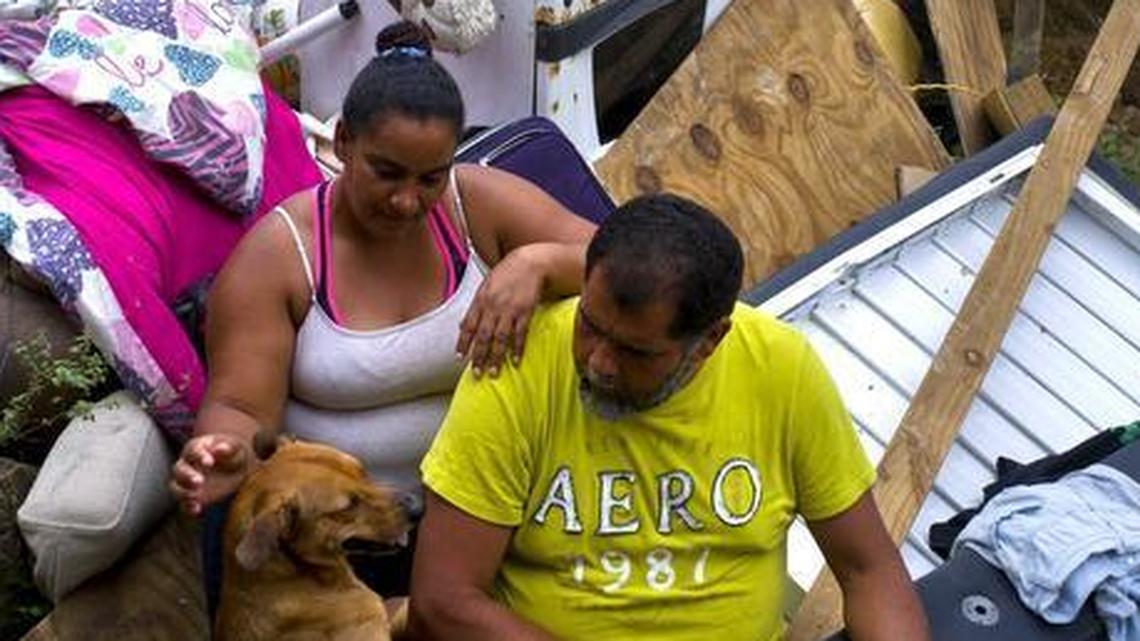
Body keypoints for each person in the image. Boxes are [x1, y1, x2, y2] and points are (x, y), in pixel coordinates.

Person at [168, 20, 595, 601]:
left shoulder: (477, 202)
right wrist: (224, 453)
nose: (406, 200)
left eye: (429, 178)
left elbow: (625, 260)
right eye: (386, 172)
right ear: (342, 141)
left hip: (481, 519)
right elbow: (242, 405)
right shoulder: (280, 255)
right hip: (339, 546)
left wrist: (538, 264)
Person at [410, 194, 931, 640]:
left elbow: (869, 571)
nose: (598, 363)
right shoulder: (518, 362)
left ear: (709, 341)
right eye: (589, 325)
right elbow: (444, 602)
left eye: (636, 352)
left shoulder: (781, 370)